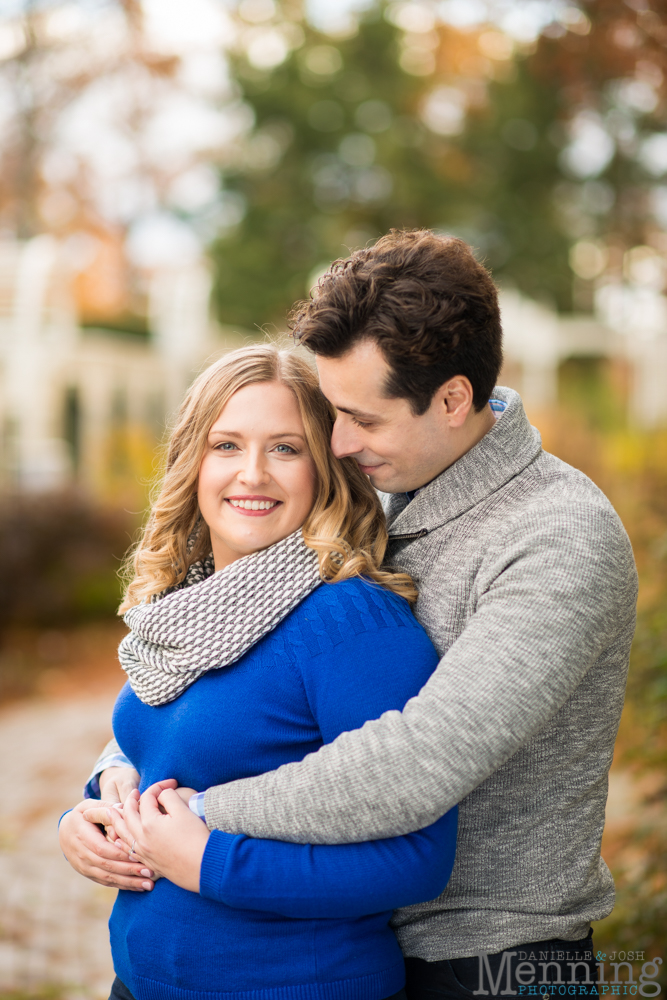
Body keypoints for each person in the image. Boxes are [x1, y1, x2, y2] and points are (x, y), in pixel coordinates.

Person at [72, 230, 637, 997]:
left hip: (493, 957)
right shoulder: (384, 482)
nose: (335, 443)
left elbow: (418, 760)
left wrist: (188, 816)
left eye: (361, 419)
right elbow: (227, 669)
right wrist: (116, 781)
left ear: (452, 400)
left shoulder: (555, 535)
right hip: (359, 937)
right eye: (331, 414)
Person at [58, 344, 458, 1000]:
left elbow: (415, 861)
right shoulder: (189, 603)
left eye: (285, 449)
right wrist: (92, 813)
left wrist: (210, 863)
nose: (252, 474)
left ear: (325, 467)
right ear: (192, 461)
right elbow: (159, 752)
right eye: (226, 445)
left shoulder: (351, 622)